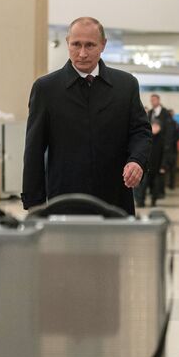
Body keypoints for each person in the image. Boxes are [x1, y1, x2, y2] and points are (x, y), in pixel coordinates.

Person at [22, 17, 151, 215]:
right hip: (65, 200)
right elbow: (34, 148)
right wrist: (34, 202)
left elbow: (140, 131)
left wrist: (136, 160)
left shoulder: (126, 85)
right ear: (67, 43)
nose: (82, 53)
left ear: (103, 45)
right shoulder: (46, 88)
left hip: (115, 199)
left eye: (90, 45)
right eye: (76, 45)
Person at [166, 108, 179, 190]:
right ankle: (166, 184)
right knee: (165, 168)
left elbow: (177, 137)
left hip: (173, 149)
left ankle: (172, 184)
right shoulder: (164, 124)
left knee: (172, 168)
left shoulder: (176, 124)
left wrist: (170, 142)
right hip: (165, 150)